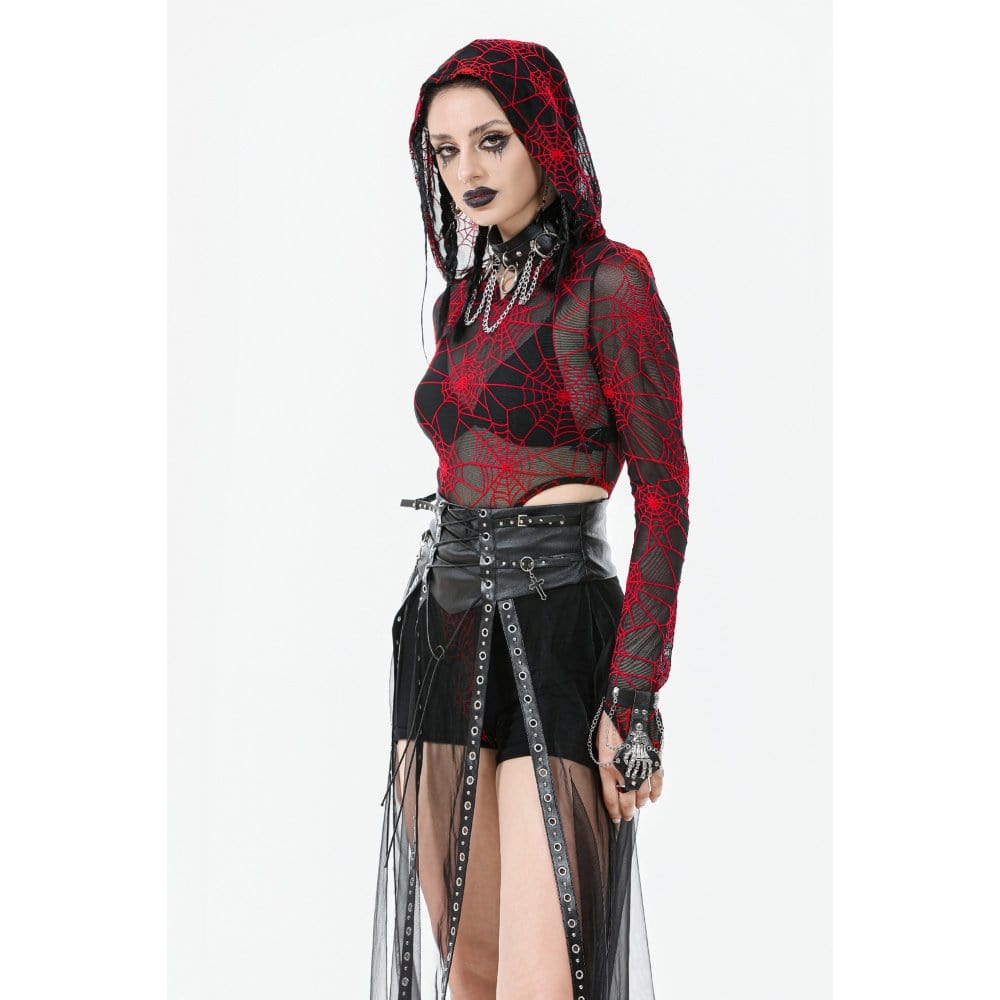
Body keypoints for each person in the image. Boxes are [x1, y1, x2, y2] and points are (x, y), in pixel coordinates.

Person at [371, 38, 690, 1000]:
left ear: (543, 135)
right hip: (442, 627)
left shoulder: (611, 285)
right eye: (444, 150)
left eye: (491, 140)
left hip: (557, 629)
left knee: (541, 982)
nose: (465, 169)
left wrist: (635, 697)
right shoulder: (463, 303)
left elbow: (665, 498)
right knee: (470, 973)